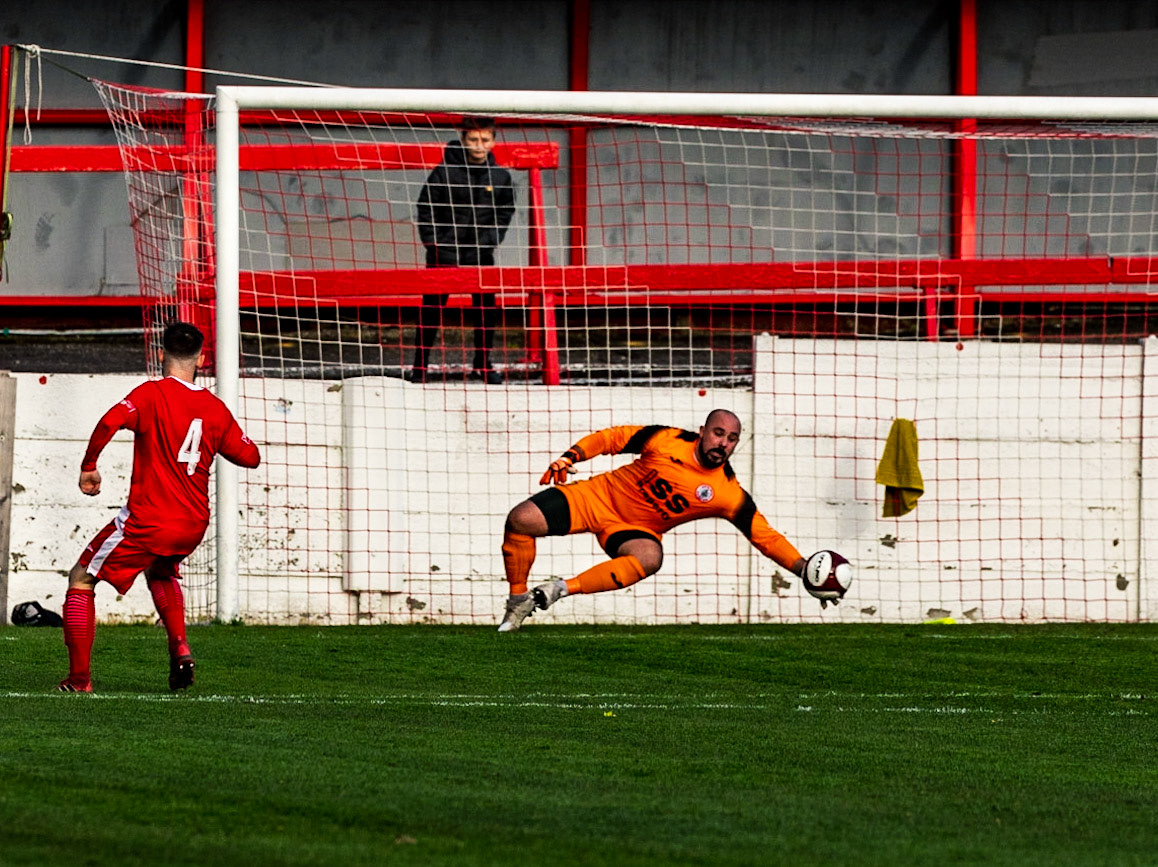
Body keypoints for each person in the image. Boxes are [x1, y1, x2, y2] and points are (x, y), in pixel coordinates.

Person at [498, 409, 838, 631]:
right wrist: (570, 456)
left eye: (731, 439)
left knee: (650, 557)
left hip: (634, 530)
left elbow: (766, 537)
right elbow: (611, 438)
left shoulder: (728, 493)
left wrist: (806, 570)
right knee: (520, 520)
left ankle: (558, 589)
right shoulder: (666, 440)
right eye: (718, 433)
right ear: (703, 430)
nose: (723, 443)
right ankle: (517, 601)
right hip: (595, 497)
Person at [58, 322, 261, 692]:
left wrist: (90, 465)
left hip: (149, 519)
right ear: (202, 357)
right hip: (193, 523)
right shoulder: (215, 409)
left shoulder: (151, 394)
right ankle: (180, 645)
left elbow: (110, 420)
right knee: (160, 570)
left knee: (81, 578)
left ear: (160, 353)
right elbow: (250, 456)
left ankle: (78, 679)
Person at [410, 116, 516, 385]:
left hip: (480, 253)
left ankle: (483, 363)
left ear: (493, 141)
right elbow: (426, 208)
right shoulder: (444, 172)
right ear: (463, 138)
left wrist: (490, 240)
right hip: (443, 253)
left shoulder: (501, 177)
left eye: (485, 140)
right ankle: (419, 366)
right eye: (473, 139)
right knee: (431, 309)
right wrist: (435, 243)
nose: (479, 146)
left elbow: (505, 211)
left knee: (485, 310)